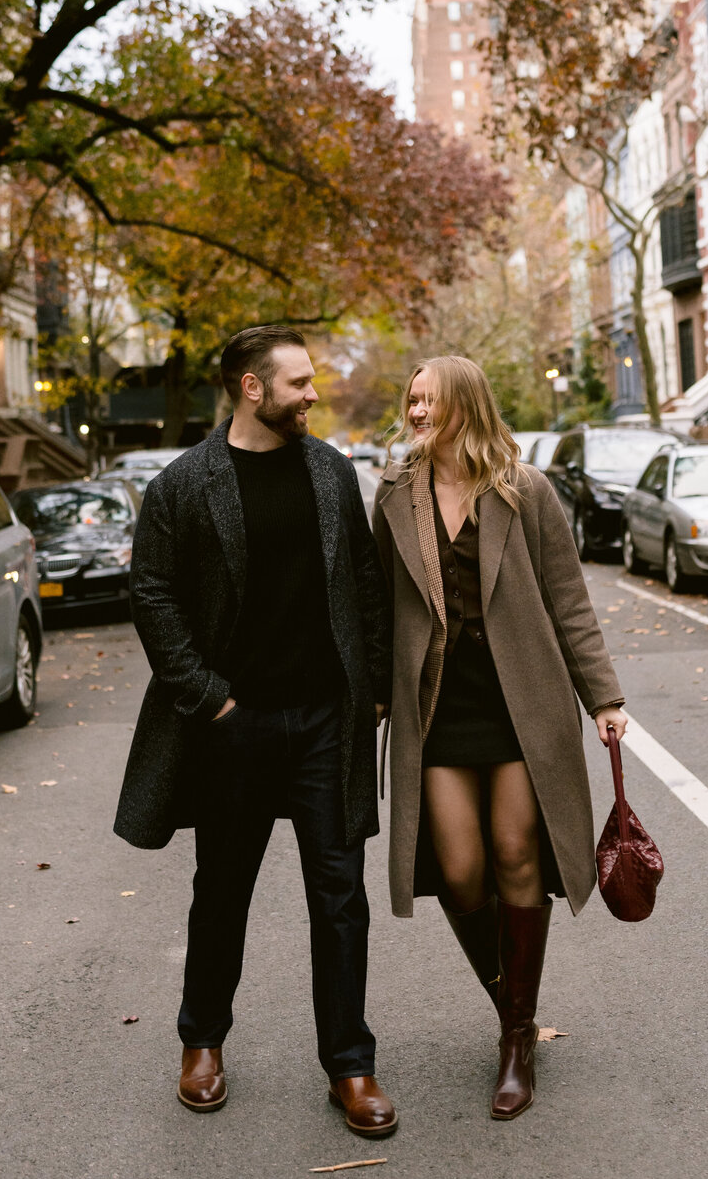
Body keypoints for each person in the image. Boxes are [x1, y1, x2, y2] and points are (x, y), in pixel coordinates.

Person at [113, 324, 396, 1137]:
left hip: (323, 725)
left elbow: (365, 587)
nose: (314, 395)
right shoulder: (184, 485)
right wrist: (210, 700)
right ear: (251, 387)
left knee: (340, 898)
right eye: (299, 383)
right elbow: (154, 597)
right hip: (232, 726)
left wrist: (371, 690)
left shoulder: (331, 472)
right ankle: (201, 1042)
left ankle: (351, 1064)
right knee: (222, 893)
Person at [372, 355, 627, 1121]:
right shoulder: (392, 495)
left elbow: (569, 600)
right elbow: (378, 605)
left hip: (522, 703)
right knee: (457, 868)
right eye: (410, 398)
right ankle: (507, 996)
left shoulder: (525, 491)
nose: (416, 411)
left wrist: (603, 697)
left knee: (518, 853)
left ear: (465, 405)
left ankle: (517, 1034)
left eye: (429, 400)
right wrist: (373, 695)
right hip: (439, 707)